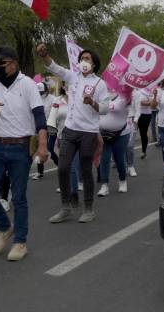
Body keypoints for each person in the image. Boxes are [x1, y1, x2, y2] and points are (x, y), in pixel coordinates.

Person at [0, 46, 48, 262]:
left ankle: (20, 242)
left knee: (18, 197)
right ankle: (4, 227)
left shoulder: (26, 84)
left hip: (20, 147)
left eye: (1, 63)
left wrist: (43, 144)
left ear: (13, 64)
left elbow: (39, 116)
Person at [36, 43, 109, 224]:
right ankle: (66, 208)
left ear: (94, 64)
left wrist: (92, 102)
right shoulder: (72, 77)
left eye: (88, 59)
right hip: (69, 131)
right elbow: (54, 67)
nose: (84, 61)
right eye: (82, 58)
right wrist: (45, 54)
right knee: (63, 168)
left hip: (88, 133)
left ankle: (88, 209)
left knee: (85, 170)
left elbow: (105, 109)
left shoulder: (100, 83)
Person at [97, 92, 131, 196]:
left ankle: (122, 181)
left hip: (121, 134)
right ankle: (104, 185)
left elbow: (125, 105)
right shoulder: (102, 96)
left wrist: (128, 92)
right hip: (104, 134)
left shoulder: (124, 97)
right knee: (104, 159)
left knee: (119, 158)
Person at [32, 82, 56, 180]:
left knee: (49, 148)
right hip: (38, 126)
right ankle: (40, 172)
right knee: (39, 148)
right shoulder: (36, 98)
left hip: (50, 126)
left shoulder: (52, 98)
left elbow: (55, 112)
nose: (40, 94)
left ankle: (59, 163)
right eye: (39, 92)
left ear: (46, 90)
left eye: (42, 92)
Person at [134, 88, 153, 159]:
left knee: (143, 133)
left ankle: (144, 151)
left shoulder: (149, 90)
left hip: (145, 114)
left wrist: (141, 102)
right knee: (131, 134)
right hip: (134, 114)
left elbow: (152, 103)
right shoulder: (134, 90)